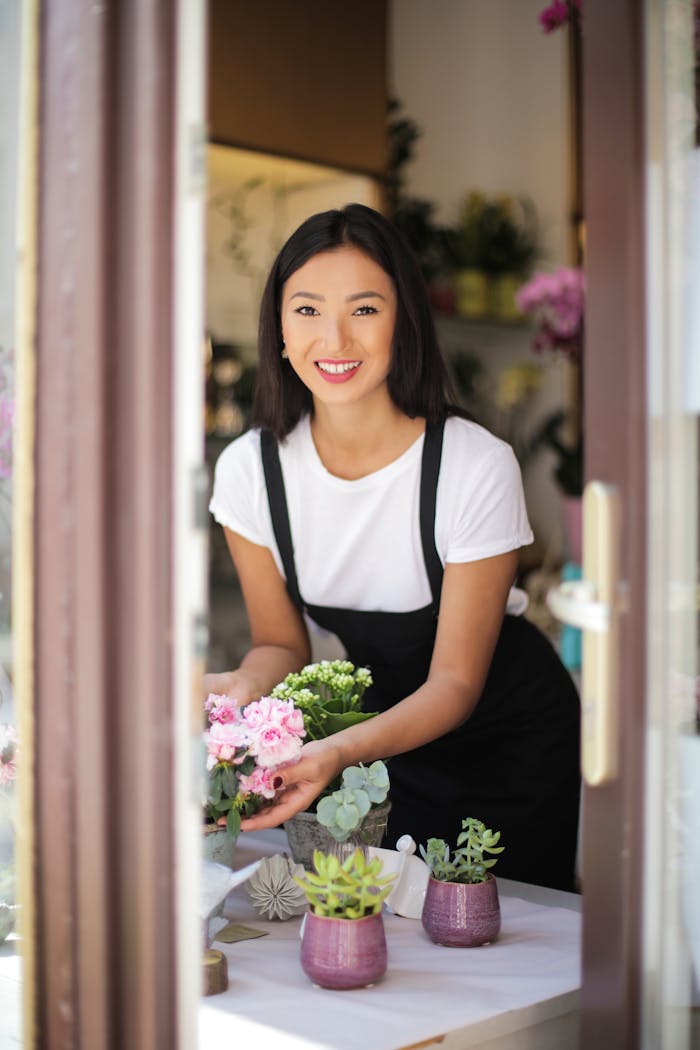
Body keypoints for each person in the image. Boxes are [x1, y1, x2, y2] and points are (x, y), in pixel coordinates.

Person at [205, 203, 581, 892]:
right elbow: (281, 646)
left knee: (502, 944)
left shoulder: (471, 464)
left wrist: (339, 749)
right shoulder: (251, 470)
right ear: (280, 331)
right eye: (308, 310)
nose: (335, 337)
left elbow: (455, 684)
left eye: (366, 309)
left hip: (506, 743)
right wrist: (240, 690)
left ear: (403, 320)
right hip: (379, 744)